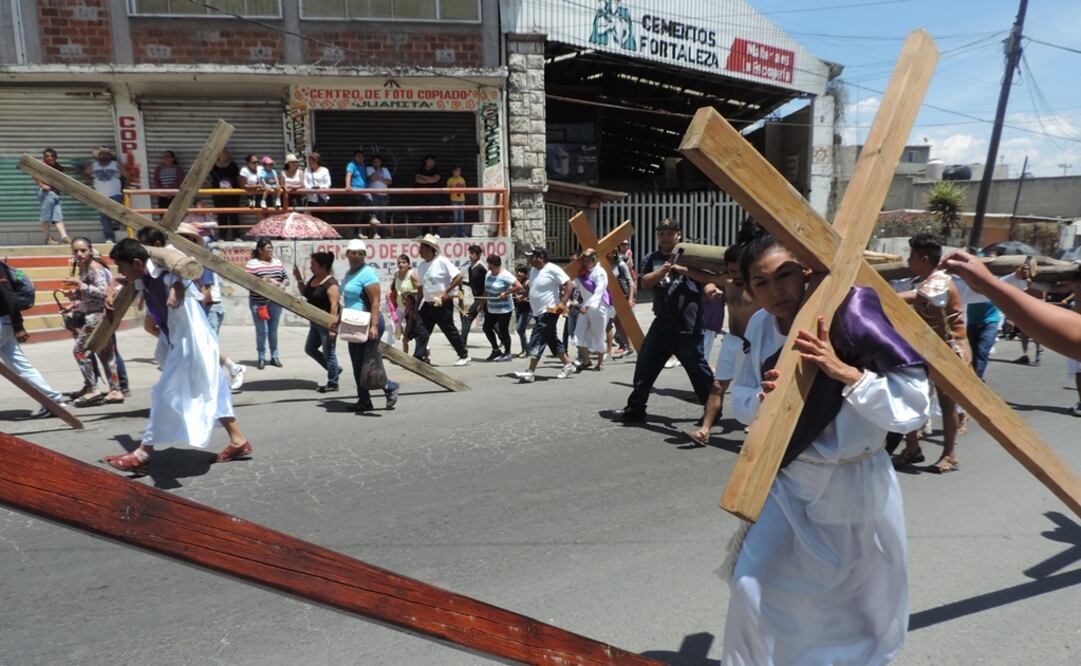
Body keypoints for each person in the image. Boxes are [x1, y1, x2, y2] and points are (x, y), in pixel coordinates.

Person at [722, 231, 930, 665]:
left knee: (856, 605)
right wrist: (761, 400)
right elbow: (740, 399)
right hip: (791, 482)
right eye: (761, 282)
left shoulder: (849, 317)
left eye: (786, 275)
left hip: (855, 484)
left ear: (807, 273)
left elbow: (912, 407)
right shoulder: (760, 325)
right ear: (748, 289)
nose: (776, 290)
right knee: (752, 584)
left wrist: (846, 374)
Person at [101, 239, 253, 474]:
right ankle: (238, 440)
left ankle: (143, 454)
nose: (120, 272)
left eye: (122, 267)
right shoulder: (143, 278)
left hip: (190, 345)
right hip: (180, 342)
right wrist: (115, 290)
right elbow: (134, 285)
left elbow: (178, 277)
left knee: (164, 393)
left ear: (138, 263)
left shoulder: (165, 277)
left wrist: (179, 286)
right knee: (214, 389)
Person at [621, 219, 714, 421]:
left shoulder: (692, 256)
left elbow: (707, 279)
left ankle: (712, 410)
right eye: (662, 232)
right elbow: (645, 282)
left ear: (678, 234)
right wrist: (662, 271)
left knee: (698, 371)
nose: (665, 236)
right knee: (645, 365)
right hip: (662, 322)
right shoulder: (652, 258)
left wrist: (684, 270)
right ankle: (636, 407)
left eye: (670, 232)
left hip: (687, 323)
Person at [892, 234, 969, 474]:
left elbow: (919, 297)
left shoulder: (940, 280)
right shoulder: (925, 279)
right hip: (928, 350)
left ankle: (950, 455)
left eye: (912, 257)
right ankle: (912, 448)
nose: (907, 262)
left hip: (951, 351)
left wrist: (878, 297)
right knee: (911, 396)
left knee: (947, 405)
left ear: (924, 259)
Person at [688, 242, 759, 446]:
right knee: (717, 386)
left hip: (753, 344)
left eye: (738, 270)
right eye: (730, 270)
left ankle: (759, 425)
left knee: (759, 389)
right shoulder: (728, 282)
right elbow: (706, 279)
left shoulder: (759, 286)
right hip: (731, 341)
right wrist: (709, 287)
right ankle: (704, 430)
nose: (734, 274)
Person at [175, 223, 244, 392]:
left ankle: (233, 369)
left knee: (207, 346)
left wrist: (198, 313)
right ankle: (218, 380)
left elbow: (206, 292)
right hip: (202, 308)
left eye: (185, 239)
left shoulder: (200, 261)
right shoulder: (187, 261)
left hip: (210, 308)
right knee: (205, 347)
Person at [335, 239, 400, 413]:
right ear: (347, 254)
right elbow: (347, 300)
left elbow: (375, 301)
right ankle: (364, 400)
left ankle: (389, 387)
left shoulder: (368, 273)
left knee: (368, 363)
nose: (356, 256)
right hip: (352, 322)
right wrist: (338, 319)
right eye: (353, 253)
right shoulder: (349, 273)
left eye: (360, 253)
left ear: (364, 255)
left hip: (368, 323)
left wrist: (373, 326)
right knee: (357, 364)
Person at [59, 237, 125, 406]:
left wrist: (81, 285)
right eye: (76, 251)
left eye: (83, 250)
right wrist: (74, 301)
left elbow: (104, 293)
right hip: (97, 316)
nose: (79, 254)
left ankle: (92, 388)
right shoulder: (84, 268)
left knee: (80, 351)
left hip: (97, 317)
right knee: (106, 354)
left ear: (90, 250)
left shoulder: (95, 268)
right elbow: (89, 295)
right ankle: (115, 390)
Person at [1, 260, 70, 418]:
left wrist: (18, 326)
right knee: (22, 367)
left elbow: (8, 297)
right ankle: (53, 400)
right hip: (6, 323)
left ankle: (52, 400)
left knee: (22, 366)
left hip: (3, 322)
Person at [513, 246, 576, 383]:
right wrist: (524, 295)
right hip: (537, 311)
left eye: (532, 256)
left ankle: (530, 371)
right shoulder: (534, 270)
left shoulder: (553, 269)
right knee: (551, 339)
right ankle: (568, 365)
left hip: (549, 311)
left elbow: (569, 284)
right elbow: (533, 287)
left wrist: (563, 302)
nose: (529, 258)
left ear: (540, 258)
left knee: (537, 339)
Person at [962, 260, 1031, 379]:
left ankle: (977, 379)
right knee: (970, 353)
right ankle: (970, 377)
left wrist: (1021, 273)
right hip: (972, 323)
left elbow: (1013, 287)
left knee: (982, 351)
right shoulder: (971, 281)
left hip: (990, 323)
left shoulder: (998, 281)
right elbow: (965, 295)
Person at [412, 234, 470, 366]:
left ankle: (463, 355)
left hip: (442, 303)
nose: (419, 250)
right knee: (421, 329)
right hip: (428, 303)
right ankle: (419, 355)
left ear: (429, 249)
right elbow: (421, 288)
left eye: (421, 247)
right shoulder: (421, 266)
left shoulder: (442, 261)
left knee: (449, 330)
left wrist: (446, 291)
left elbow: (459, 276)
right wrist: (416, 307)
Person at [295, 251, 341, 392]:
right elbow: (305, 293)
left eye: (313, 264)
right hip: (315, 322)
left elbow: (334, 305)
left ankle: (333, 383)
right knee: (310, 348)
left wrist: (332, 327)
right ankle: (335, 370)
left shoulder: (331, 283)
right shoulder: (314, 278)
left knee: (329, 353)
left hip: (326, 324)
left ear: (322, 266)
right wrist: (298, 278)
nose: (311, 267)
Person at [245, 238, 288, 369]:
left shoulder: (277, 262)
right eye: (267, 248)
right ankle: (261, 357)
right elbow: (247, 282)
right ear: (260, 250)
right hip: (259, 302)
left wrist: (282, 284)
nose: (270, 250)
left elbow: (285, 278)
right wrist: (262, 282)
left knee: (273, 330)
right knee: (262, 330)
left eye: (271, 248)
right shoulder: (252, 264)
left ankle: (275, 356)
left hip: (275, 301)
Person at [573, 249, 610, 371]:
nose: (586, 262)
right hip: (585, 307)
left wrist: (588, 305)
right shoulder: (583, 274)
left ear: (595, 260)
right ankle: (587, 361)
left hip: (598, 307)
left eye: (588, 259)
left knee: (598, 335)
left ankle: (600, 363)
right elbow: (573, 285)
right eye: (584, 259)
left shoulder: (599, 272)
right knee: (578, 334)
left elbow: (599, 291)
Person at [84, 147, 129, 243]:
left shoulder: (115, 165)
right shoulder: (94, 165)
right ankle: (109, 238)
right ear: (98, 156)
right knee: (104, 218)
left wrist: (124, 188)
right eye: (101, 154)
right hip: (101, 196)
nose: (103, 156)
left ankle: (126, 235)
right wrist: (90, 181)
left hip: (116, 195)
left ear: (109, 156)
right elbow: (84, 174)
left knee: (120, 215)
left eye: (106, 154)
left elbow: (127, 176)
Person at [481, 254, 520, 362]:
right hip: (491, 307)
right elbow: (486, 289)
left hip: (504, 308)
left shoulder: (505, 275)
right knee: (487, 327)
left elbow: (518, 286)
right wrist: (481, 303)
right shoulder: (488, 274)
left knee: (503, 330)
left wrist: (506, 292)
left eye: (489, 263)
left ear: (494, 265)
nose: (488, 265)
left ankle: (507, 353)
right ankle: (495, 349)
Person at [36, 148, 71, 245]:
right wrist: (42, 185)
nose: (49, 158)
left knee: (57, 215)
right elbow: (34, 175)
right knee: (46, 216)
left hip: (55, 194)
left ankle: (64, 236)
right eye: (47, 156)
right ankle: (48, 238)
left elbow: (63, 170)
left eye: (51, 156)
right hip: (46, 193)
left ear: (55, 157)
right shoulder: (42, 165)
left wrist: (77, 169)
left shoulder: (56, 166)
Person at [606, 247, 636, 357]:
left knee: (624, 323)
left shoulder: (621, 264)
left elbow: (630, 282)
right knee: (618, 324)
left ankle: (636, 345)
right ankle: (629, 346)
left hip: (622, 297)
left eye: (608, 252)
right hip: (610, 298)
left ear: (614, 253)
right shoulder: (604, 265)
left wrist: (631, 299)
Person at [388, 254, 420, 354]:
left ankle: (424, 350)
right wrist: (389, 291)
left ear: (409, 264)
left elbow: (419, 290)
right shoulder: (396, 274)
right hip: (400, 307)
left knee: (415, 331)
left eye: (404, 262)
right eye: (399, 262)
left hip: (410, 308)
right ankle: (390, 350)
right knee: (392, 325)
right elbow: (393, 286)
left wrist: (408, 293)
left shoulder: (412, 275)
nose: (401, 264)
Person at [458, 244, 488, 347]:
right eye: (470, 253)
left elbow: (486, 286)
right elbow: (473, 283)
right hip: (478, 299)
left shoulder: (481, 268)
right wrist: (463, 283)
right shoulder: (471, 268)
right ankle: (502, 343)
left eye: (473, 253)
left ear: (478, 255)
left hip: (483, 298)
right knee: (491, 324)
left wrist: (482, 302)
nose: (470, 255)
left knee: (467, 319)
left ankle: (461, 344)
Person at [209, 149, 241, 240]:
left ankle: (236, 235)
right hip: (218, 194)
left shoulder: (233, 165)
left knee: (233, 214)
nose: (226, 155)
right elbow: (206, 176)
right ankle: (222, 236)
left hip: (232, 193)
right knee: (221, 215)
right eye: (223, 153)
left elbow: (237, 178)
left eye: (226, 153)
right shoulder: (213, 166)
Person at [345, 149, 372, 235]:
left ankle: (358, 232)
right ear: (354, 157)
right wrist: (348, 186)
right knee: (369, 197)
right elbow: (348, 174)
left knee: (360, 212)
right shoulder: (351, 165)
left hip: (364, 189)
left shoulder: (363, 165)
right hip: (356, 190)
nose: (360, 158)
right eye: (358, 156)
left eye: (362, 156)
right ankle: (373, 216)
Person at [414, 155, 442, 234]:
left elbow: (434, 179)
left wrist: (423, 177)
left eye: (433, 161)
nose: (432, 162)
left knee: (434, 214)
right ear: (426, 161)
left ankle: (436, 233)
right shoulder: (420, 169)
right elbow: (417, 180)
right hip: (423, 196)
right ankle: (425, 233)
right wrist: (429, 179)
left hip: (434, 196)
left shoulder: (437, 170)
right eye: (430, 160)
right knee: (424, 214)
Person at [366, 155, 393, 227]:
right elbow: (371, 179)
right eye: (374, 162)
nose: (376, 163)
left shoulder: (385, 169)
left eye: (378, 162)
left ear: (381, 162)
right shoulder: (369, 169)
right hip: (374, 195)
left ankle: (383, 234)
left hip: (384, 195)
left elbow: (389, 181)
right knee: (374, 215)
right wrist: (377, 170)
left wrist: (379, 179)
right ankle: (375, 234)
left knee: (383, 215)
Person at [513, 264, 531, 357]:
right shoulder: (516, 282)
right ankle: (524, 350)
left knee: (520, 328)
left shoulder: (527, 283)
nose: (519, 274)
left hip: (527, 309)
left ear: (525, 274)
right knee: (521, 330)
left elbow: (532, 294)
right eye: (518, 272)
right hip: (519, 308)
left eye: (521, 272)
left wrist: (525, 298)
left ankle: (527, 349)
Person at [447, 165, 467, 237]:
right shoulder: (450, 180)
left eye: (459, 171)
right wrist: (451, 187)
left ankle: (462, 232)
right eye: (457, 171)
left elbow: (465, 189)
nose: (458, 172)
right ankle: (455, 233)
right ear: (453, 172)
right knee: (455, 217)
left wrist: (462, 186)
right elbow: (447, 191)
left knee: (461, 217)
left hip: (462, 199)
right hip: (454, 200)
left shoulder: (462, 179)